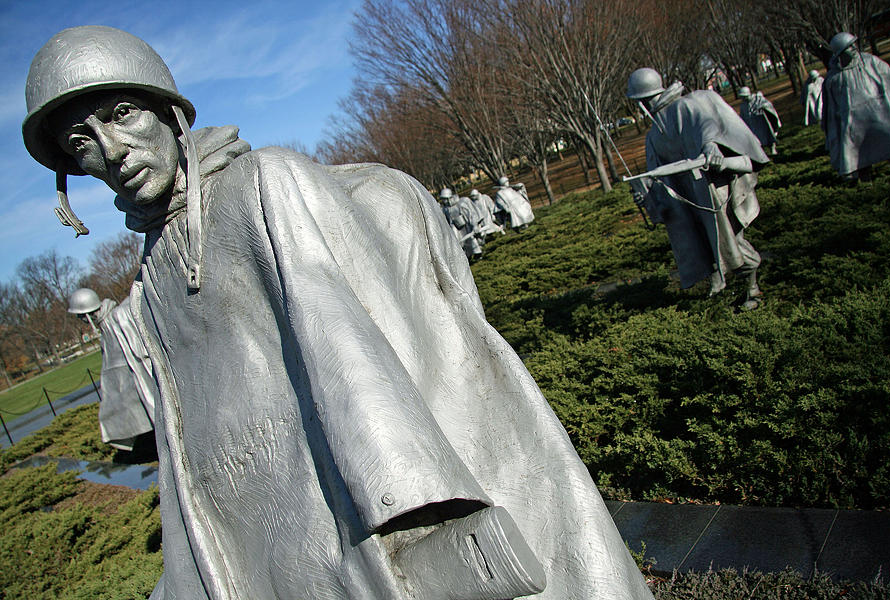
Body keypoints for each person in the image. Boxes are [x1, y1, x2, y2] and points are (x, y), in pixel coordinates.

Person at [25, 26, 652, 600]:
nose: (112, 150)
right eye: (81, 142)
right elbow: (185, 451)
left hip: (358, 525)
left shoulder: (263, 184)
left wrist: (415, 520)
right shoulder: (148, 278)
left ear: (167, 111)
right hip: (266, 557)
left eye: (121, 115)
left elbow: (351, 350)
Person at [626, 67, 770, 309]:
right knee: (700, 241)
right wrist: (646, 196)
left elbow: (709, 123)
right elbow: (655, 175)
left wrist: (711, 146)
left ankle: (752, 288)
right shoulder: (653, 134)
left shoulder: (689, 104)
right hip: (685, 198)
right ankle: (719, 285)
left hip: (710, 187)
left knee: (730, 240)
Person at [67, 287, 156, 451]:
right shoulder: (106, 326)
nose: (81, 319)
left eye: (81, 315)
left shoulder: (117, 318)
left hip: (142, 372)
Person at [822, 32, 890, 180]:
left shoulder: (871, 62)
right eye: (849, 46)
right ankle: (865, 179)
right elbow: (830, 111)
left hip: (881, 115)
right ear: (839, 52)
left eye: (853, 44)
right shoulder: (833, 79)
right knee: (860, 157)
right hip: (854, 124)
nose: (853, 48)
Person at [438, 187, 483, 260]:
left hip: (466, 226)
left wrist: (474, 225)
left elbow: (470, 215)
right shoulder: (445, 208)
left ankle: (478, 254)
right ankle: (466, 257)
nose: (444, 201)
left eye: (445, 199)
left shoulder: (460, 204)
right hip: (455, 228)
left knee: (472, 241)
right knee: (460, 244)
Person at [737, 86, 781, 155]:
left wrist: (763, 106)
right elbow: (743, 116)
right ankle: (762, 153)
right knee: (756, 139)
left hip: (762, 122)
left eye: (743, 96)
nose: (742, 98)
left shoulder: (758, 99)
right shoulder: (743, 106)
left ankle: (772, 148)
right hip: (752, 124)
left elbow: (768, 105)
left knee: (768, 135)